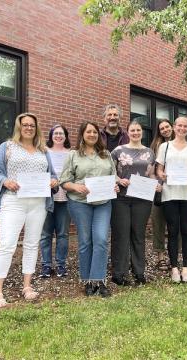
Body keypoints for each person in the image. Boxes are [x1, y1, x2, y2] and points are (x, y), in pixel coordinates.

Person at [0, 113, 59, 308]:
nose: (28, 128)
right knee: (7, 244)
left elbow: (52, 175)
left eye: (32, 125)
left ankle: (27, 286)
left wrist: (53, 181)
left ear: (36, 128)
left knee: (31, 244)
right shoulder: (7, 147)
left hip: (37, 203)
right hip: (13, 201)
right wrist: (5, 181)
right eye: (25, 125)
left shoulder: (43, 151)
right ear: (19, 127)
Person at [60, 121, 118, 297]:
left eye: (95, 132)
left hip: (103, 203)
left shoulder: (106, 154)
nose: (92, 135)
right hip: (80, 203)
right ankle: (87, 281)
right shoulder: (73, 155)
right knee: (85, 242)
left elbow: (113, 177)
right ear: (82, 134)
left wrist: (115, 186)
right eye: (88, 132)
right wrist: (75, 187)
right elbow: (64, 181)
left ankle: (98, 280)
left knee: (100, 240)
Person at [110, 121, 160, 286]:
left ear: (142, 132)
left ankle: (139, 272)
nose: (136, 132)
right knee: (121, 235)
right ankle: (119, 273)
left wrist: (157, 183)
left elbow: (151, 174)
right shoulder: (118, 151)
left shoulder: (149, 152)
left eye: (138, 130)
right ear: (128, 132)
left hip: (143, 199)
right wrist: (119, 179)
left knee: (138, 235)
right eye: (133, 130)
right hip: (121, 199)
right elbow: (110, 171)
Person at [156, 116, 187, 283]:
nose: (182, 128)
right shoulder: (164, 146)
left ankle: (186, 269)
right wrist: (163, 175)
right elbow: (159, 170)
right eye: (179, 125)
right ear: (174, 127)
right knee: (173, 231)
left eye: (185, 126)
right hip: (170, 194)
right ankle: (174, 268)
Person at [39, 124, 72, 278]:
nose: (58, 136)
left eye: (62, 133)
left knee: (63, 234)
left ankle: (61, 265)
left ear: (66, 136)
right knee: (45, 234)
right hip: (47, 198)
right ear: (51, 135)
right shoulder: (44, 151)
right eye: (56, 133)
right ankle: (46, 265)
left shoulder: (71, 153)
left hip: (65, 199)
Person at [149, 119, 177, 270]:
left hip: (177, 190)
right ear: (159, 132)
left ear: (172, 127)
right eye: (162, 128)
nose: (165, 130)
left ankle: (176, 257)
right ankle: (160, 258)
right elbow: (150, 170)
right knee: (158, 224)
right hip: (159, 191)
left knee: (176, 224)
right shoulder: (155, 147)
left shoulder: (182, 145)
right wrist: (156, 184)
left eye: (167, 127)